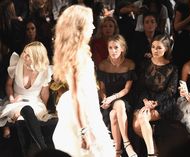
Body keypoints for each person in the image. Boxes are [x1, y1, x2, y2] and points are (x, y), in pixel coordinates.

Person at [52, 5, 115, 157]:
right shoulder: (75, 56)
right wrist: (84, 130)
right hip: (82, 112)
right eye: (90, 23)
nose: (93, 26)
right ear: (79, 27)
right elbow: (76, 96)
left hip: (89, 107)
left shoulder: (80, 50)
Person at [0, 41, 52, 151]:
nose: (23, 55)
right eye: (24, 52)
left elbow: (45, 94)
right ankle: (40, 148)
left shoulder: (44, 70)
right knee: (20, 116)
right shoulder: (16, 63)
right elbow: (8, 85)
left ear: (36, 57)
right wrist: (11, 98)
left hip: (35, 102)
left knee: (26, 115)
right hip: (16, 101)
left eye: (27, 54)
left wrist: (45, 108)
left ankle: (31, 150)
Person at [132, 34, 178, 157]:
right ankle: (155, 152)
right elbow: (140, 87)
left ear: (166, 49)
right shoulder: (145, 64)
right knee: (136, 126)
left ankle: (151, 154)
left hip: (162, 102)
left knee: (141, 119)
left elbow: (171, 91)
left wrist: (155, 102)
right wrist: (146, 101)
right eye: (153, 47)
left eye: (159, 48)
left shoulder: (172, 68)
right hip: (145, 99)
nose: (155, 50)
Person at [97, 34, 137, 157]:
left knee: (118, 107)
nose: (113, 51)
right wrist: (104, 99)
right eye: (110, 47)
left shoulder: (129, 64)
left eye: (116, 47)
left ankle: (123, 145)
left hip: (124, 99)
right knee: (112, 113)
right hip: (108, 101)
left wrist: (113, 98)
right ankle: (120, 150)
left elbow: (126, 90)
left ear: (122, 49)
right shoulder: (103, 65)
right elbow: (102, 88)